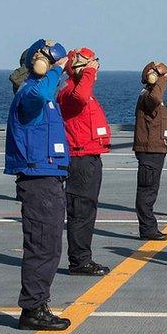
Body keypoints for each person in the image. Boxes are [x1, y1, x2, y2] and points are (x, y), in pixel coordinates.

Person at [4, 39, 71, 330]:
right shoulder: (30, 92)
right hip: (38, 180)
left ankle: (38, 304)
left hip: (49, 177)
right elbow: (42, 89)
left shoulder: (43, 96)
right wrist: (54, 70)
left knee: (50, 246)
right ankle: (32, 309)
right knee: (42, 246)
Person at [56, 48, 111, 276]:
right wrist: (87, 72)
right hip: (79, 160)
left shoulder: (81, 91)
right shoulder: (70, 92)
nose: (95, 69)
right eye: (90, 65)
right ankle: (79, 261)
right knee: (80, 211)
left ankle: (82, 258)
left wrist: (86, 71)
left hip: (89, 157)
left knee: (87, 210)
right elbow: (79, 97)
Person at [133, 61, 167, 241]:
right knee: (147, 191)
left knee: (151, 190)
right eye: (164, 76)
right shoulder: (149, 96)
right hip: (149, 151)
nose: (166, 79)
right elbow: (156, 98)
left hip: (155, 150)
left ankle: (148, 227)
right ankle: (148, 228)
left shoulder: (151, 95)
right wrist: (161, 79)